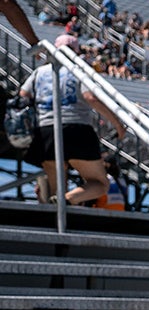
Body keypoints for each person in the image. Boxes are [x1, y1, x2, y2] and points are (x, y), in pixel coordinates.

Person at [20, 33, 125, 205]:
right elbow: (91, 97)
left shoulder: (39, 72)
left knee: (56, 187)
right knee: (100, 183)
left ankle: (57, 213)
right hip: (77, 129)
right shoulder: (78, 70)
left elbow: (23, 95)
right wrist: (118, 125)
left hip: (46, 130)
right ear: (75, 52)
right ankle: (68, 199)